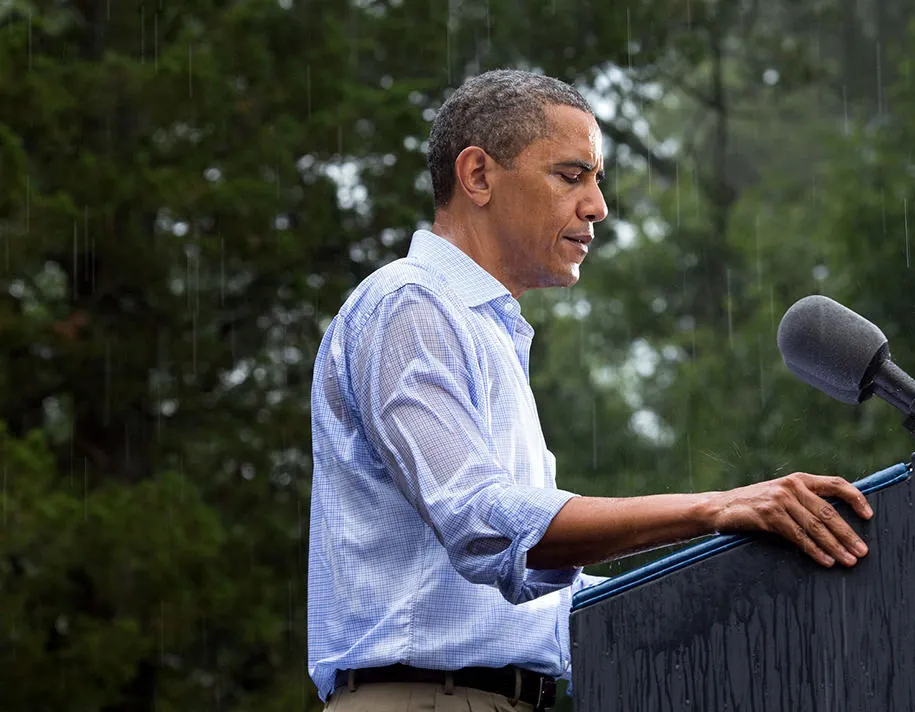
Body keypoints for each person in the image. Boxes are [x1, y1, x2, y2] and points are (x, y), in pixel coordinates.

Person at [307, 68, 874, 712]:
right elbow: (479, 517)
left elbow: (532, 596)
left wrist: (751, 581)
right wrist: (713, 508)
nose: (597, 206)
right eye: (572, 175)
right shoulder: (409, 305)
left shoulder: (483, 328)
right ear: (478, 176)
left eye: (596, 180)